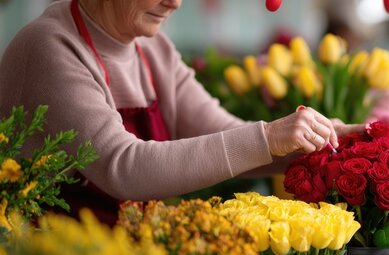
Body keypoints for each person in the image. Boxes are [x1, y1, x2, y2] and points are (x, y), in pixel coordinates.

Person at [0, 0, 363, 225]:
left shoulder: (153, 48)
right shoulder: (50, 46)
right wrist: (269, 137)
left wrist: (322, 138)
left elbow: (221, 130)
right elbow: (122, 166)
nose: (175, 2)